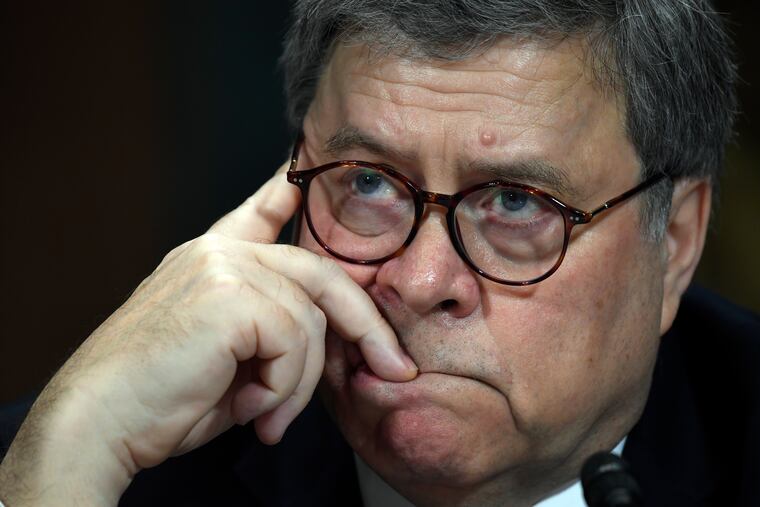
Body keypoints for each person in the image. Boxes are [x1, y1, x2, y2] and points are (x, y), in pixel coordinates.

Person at [1, 1, 757, 506]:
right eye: (369, 182)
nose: (421, 280)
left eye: (516, 202)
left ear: (676, 243)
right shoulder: (111, 461)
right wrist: (64, 461)